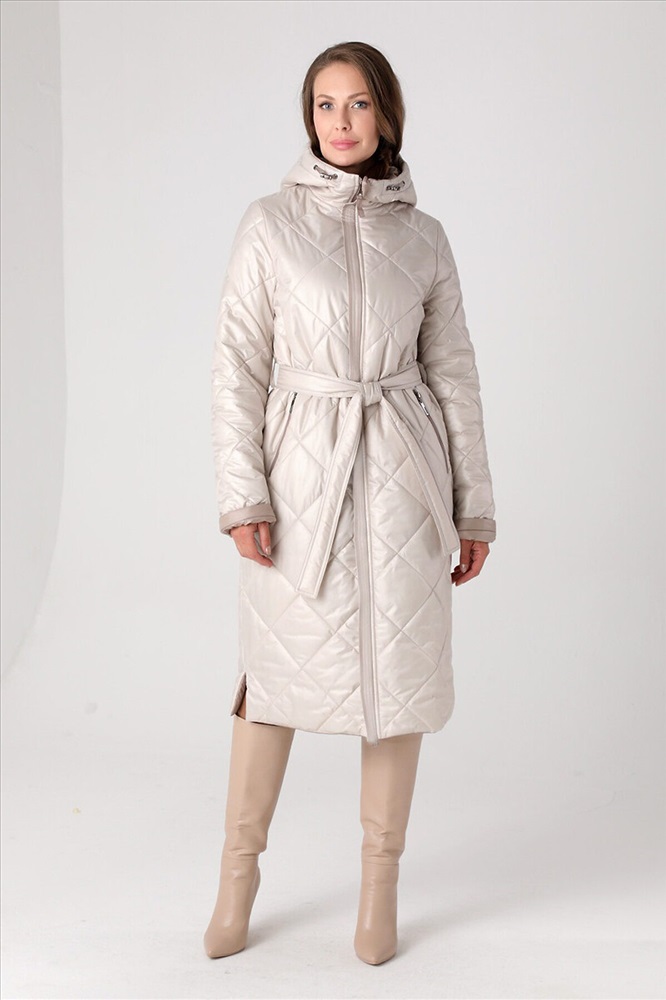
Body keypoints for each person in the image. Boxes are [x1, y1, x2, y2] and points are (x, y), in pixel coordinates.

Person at [204, 40, 497, 965]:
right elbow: (236, 366)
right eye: (324, 104)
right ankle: (236, 882)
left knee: (396, 683)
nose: (340, 121)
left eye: (358, 103)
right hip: (303, 482)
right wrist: (243, 494)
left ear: (386, 115)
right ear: (308, 118)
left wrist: (472, 507)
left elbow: (454, 375)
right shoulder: (268, 224)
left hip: (406, 480)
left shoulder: (425, 236)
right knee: (271, 679)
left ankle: (379, 890)